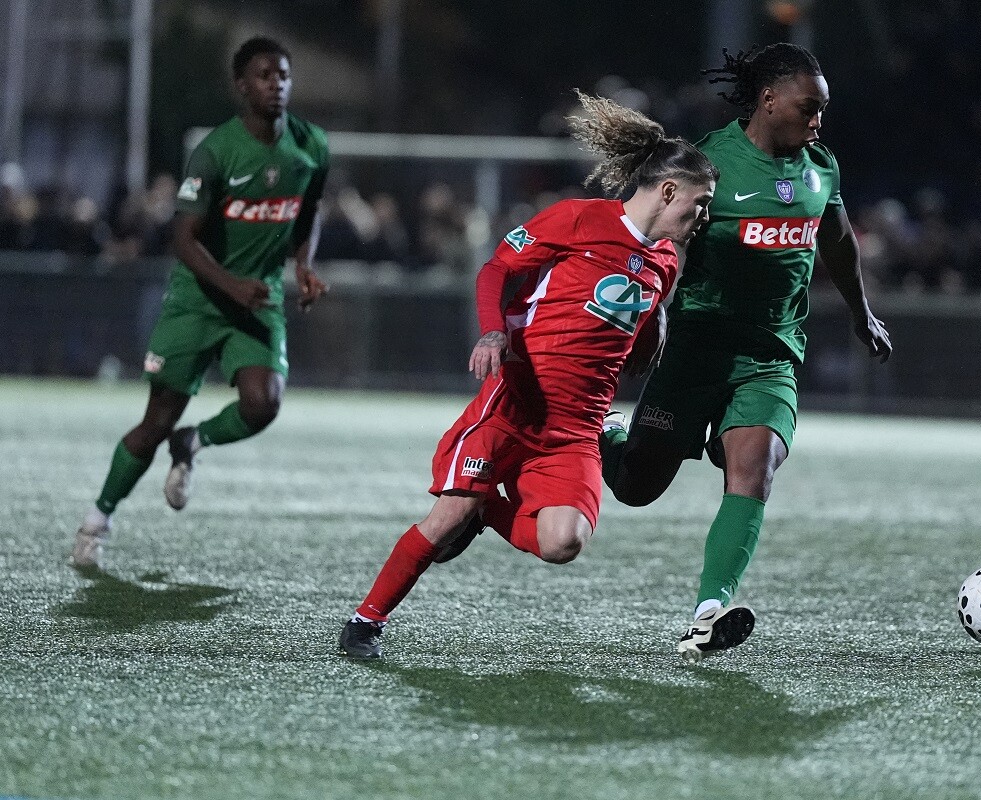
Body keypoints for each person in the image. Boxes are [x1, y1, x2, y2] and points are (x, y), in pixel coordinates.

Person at [337, 91, 717, 659]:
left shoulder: (664, 262)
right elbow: (496, 270)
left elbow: (632, 321)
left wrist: (656, 323)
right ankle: (365, 623)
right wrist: (492, 332)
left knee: (564, 542)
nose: (704, 216)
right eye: (701, 202)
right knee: (444, 521)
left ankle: (490, 506)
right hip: (515, 405)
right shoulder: (576, 219)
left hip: (575, 428)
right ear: (668, 191)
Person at [600, 44, 892, 661]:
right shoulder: (707, 163)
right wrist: (644, 315)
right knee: (636, 488)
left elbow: (838, 243)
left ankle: (709, 611)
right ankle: (615, 437)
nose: (818, 121)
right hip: (697, 351)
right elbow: (657, 244)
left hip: (771, 355)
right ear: (767, 100)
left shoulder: (821, 168)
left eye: (823, 110)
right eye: (808, 107)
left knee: (754, 472)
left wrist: (862, 313)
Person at [72, 37, 330, 570]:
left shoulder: (311, 145)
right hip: (198, 300)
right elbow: (183, 239)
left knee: (264, 404)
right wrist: (231, 284)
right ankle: (98, 519)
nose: (275, 84)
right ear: (241, 86)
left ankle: (196, 440)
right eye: (263, 76)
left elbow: (309, 213)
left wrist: (303, 265)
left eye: (283, 75)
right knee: (155, 422)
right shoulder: (216, 151)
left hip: (256, 300)